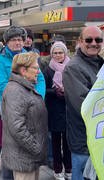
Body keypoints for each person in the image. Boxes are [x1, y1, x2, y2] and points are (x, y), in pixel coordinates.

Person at [0, 25, 46, 180]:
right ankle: (8, 176)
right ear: (7, 42)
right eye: (14, 40)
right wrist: (26, 99)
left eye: (20, 40)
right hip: (12, 108)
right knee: (12, 144)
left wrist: (38, 98)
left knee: (28, 140)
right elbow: (2, 86)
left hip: (32, 107)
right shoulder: (0, 60)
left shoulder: (29, 56)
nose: (18, 43)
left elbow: (40, 79)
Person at [62, 26, 104, 180]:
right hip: (84, 142)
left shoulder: (101, 63)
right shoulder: (74, 68)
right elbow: (84, 106)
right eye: (89, 40)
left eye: (98, 40)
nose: (94, 43)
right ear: (80, 41)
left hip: (100, 138)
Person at [2, 52, 48, 180]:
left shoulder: (24, 87)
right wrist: (36, 148)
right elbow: (17, 127)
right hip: (24, 158)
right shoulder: (15, 90)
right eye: (35, 68)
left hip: (29, 156)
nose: (38, 71)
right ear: (23, 70)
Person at [43, 41, 72, 180]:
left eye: (60, 52)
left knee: (68, 142)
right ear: (51, 54)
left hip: (68, 109)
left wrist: (68, 91)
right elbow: (43, 89)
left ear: (65, 53)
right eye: (55, 53)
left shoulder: (71, 67)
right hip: (54, 109)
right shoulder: (48, 70)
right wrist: (55, 92)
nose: (58, 55)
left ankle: (69, 168)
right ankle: (57, 169)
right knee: (55, 142)